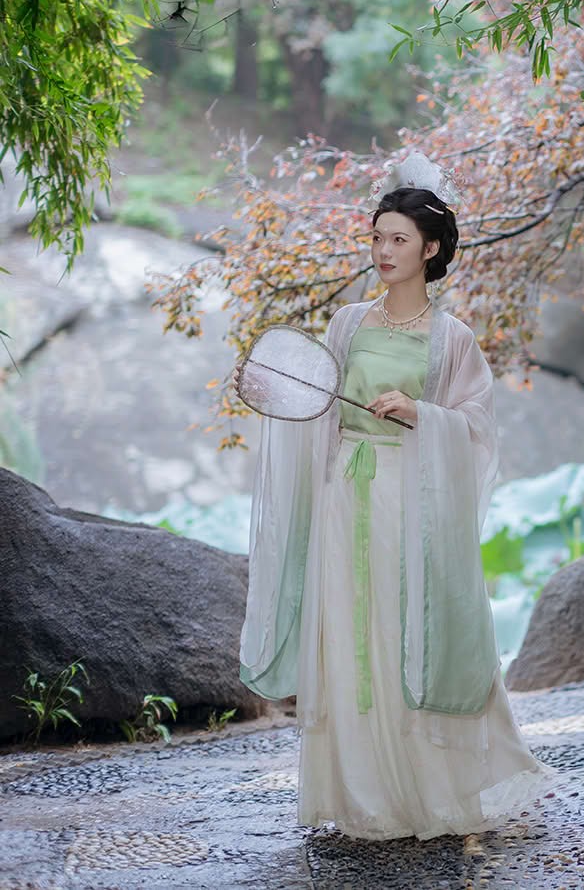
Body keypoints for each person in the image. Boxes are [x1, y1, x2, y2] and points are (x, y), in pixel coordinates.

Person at [233, 152, 563, 840]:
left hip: (407, 502)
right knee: (347, 632)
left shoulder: (453, 339)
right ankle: (364, 796)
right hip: (343, 496)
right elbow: (317, 406)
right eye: (378, 237)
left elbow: (477, 426)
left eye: (399, 239)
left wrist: (421, 413)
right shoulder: (348, 323)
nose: (383, 251)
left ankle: (427, 793)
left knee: (399, 630)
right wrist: (275, 387)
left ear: (430, 249)